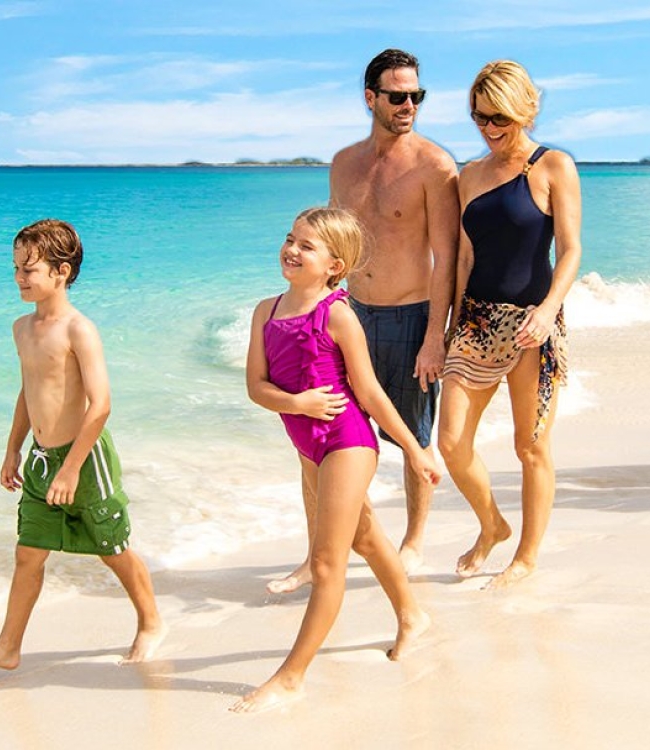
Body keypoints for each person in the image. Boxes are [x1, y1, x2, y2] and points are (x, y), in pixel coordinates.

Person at [265, 49, 458, 593]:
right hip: (346, 313)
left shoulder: (434, 165)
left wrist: (434, 338)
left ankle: (414, 541)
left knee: (413, 436)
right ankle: (315, 553)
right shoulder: (343, 163)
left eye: (417, 96)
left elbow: (446, 255)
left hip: (411, 315)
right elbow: (330, 245)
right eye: (398, 96)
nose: (409, 106)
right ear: (370, 97)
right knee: (319, 436)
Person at [233, 207, 439, 712]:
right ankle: (412, 615)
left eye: (307, 245)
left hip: (347, 442)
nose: (292, 249)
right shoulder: (267, 310)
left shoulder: (339, 315)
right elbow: (256, 387)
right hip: (307, 443)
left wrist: (414, 450)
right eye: (290, 239)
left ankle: (291, 675)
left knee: (328, 563)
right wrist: (297, 404)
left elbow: (368, 391)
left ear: (334, 264)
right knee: (365, 536)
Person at [0, 219, 166, 673]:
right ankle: (7, 647)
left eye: (29, 270)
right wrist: (13, 449)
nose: (19, 279)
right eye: (15, 269)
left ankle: (150, 622)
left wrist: (71, 468)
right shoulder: (22, 329)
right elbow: (29, 392)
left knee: (112, 547)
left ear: (62, 272)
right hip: (42, 460)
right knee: (28, 551)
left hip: (84, 460)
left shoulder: (78, 329)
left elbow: (102, 404)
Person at [437, 60, 581, 588]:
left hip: (531, 326)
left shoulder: (552, 167)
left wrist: (547, 312)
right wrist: (449, 326)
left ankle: (526, 555)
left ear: (523, 109)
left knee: (530, 446)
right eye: (480, 118)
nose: (490, 128)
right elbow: (465, 259)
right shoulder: (469, 176)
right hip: (475, 322)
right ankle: (492, 525)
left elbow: (570, 250)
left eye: (499, 117)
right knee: (451, 442)